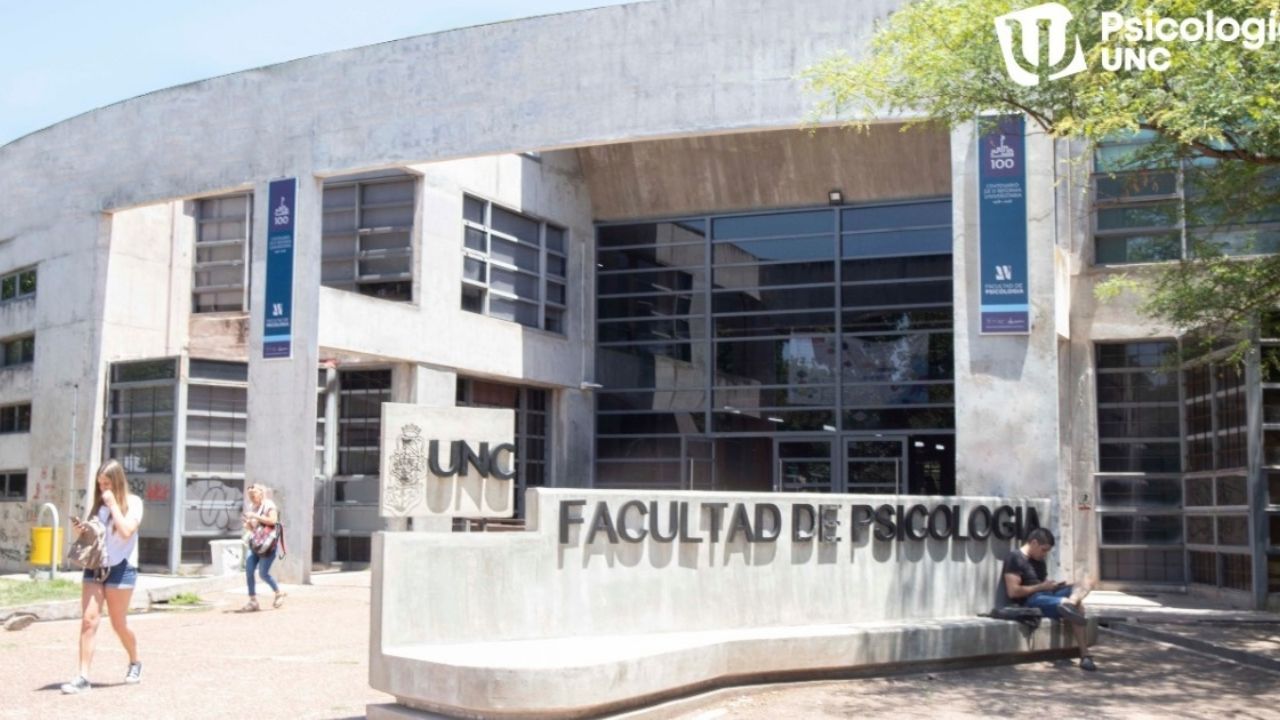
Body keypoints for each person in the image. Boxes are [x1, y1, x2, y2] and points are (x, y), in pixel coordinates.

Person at [61, 459, 144, 694]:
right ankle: (83, 677)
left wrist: (114, 505)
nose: (103, 488)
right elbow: (96, 536)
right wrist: (83, 530)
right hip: (95, 566)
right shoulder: (98, 506)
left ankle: (135, 661)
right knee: (89, 620)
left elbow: (126, 531)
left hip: (121, 568)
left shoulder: (134, 503)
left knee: (119, 624)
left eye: (107, 483)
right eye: (100, 484)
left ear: (117, 482)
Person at [1002, 527, 1096, 671]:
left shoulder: (1039, 560)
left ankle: (1070, 603)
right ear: (1034, 543)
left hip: (1047, 594)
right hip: (1031, 600)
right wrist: (1041, 587)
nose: (1045, 554)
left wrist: (1054, 586)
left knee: (1086, 582)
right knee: (1078, 606)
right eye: (1044, 550)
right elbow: (1013, 592)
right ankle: (1085, 655)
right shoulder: (1014, 558)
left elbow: (1042, 582)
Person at [240, 483, 286, 612]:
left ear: (261, 493)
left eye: (253, 494)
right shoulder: (252, 507)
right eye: (250, 495)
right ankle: (253, 601)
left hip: (268, 544)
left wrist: (255, 516)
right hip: (255, 543)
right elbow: (255, 529)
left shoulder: (269, 505)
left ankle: (278, 593)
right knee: (249, 570)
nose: (251, 497)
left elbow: (273, 521)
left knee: (263, 574)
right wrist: (248, 525)